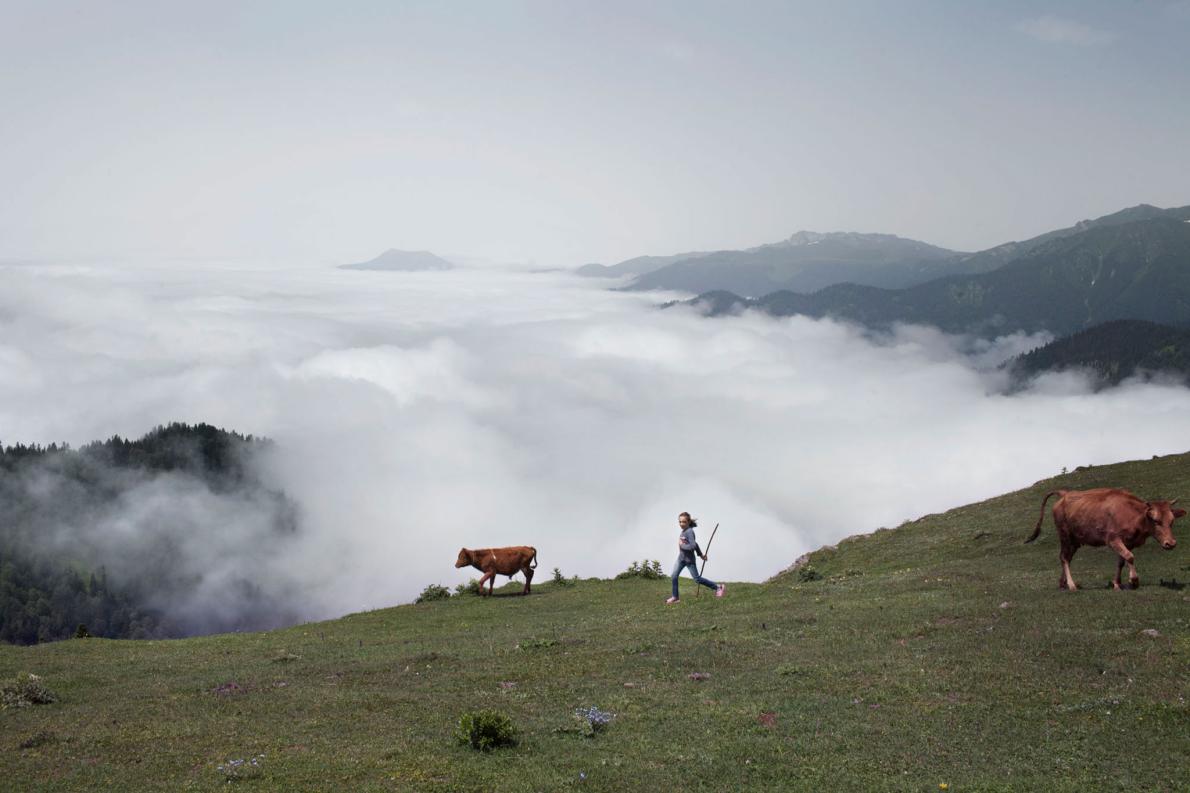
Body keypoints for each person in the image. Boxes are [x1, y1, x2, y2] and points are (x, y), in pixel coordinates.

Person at [666, 512, 725, 603]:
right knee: (674, 576)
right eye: (680, 522)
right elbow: (696, 545)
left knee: (697, 579)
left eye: (684, 522)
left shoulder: (689, 531)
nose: (681, 524)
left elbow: (693, 546)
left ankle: (718, 587)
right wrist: (701, 555)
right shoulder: (684, 531)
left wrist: (682, 546)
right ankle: (675, 597)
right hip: (681, 559)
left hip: (689, 561)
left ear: (688, 522)